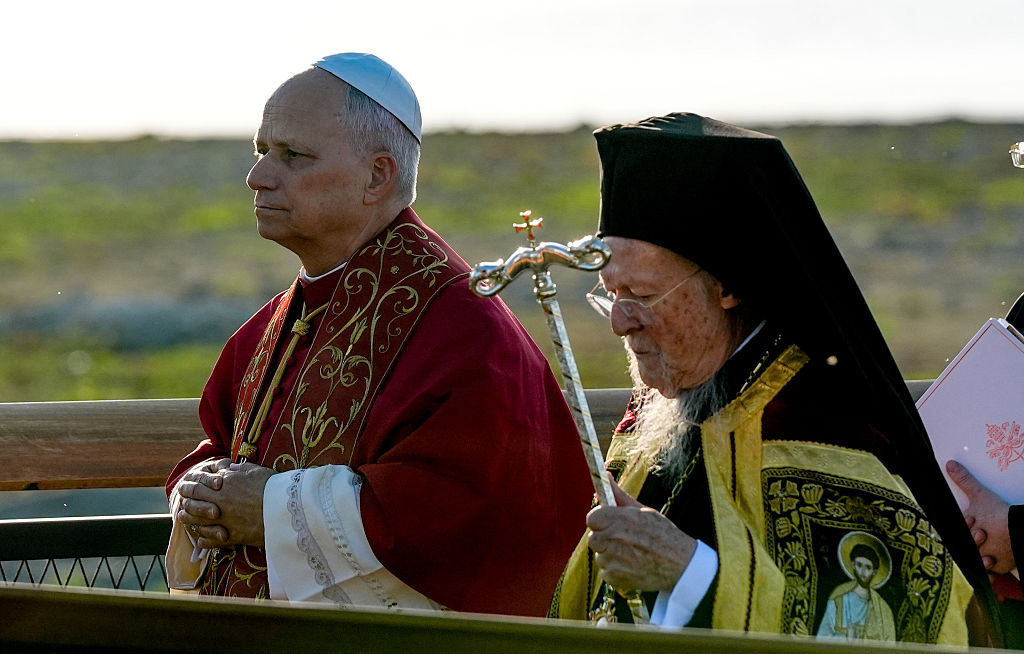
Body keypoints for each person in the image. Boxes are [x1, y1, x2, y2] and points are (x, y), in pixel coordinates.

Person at [164, 52, 593, 616]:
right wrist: (200, 490)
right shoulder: (274, 324)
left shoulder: (464, 331)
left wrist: (269, 507)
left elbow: (463, 516)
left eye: (293, 155)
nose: (258, 176)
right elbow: (227, 446)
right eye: (261, 151)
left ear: (377, 175)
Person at [549, 112, 999, 646]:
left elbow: (901, 621)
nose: (620, 322)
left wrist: (691, 575)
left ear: (730, 286)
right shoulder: (657, 405)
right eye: (610, 293)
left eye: (643, 297)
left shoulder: (821, 426)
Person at [817, 538, 896, 640]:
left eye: (868, 567)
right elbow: (821, 638)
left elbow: (889, 646)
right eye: (859, 565)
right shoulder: (838, 600)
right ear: (853, 565)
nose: (863, 572)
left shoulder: (883, 609)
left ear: (874, 572)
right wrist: (845, 639)